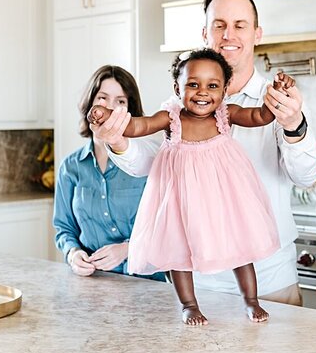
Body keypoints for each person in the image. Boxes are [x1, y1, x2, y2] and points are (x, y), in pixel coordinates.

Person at [90, 0, 316, 306]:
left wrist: (293, 125)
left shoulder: (278, 102)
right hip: (199, 278)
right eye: (219, 25)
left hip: (269, 276)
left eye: (240, 25)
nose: (229, 35)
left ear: (257, 34)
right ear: (205, 33)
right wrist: (117, 139)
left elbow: (307, 175)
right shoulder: (176, 105)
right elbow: (146, 163)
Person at [88, 49, 291, 325]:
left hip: (225, 196)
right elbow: (138, 126)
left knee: (239, 246)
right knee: (178, 252)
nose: (202, 92)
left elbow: (260, 117)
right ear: (177, 88)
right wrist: (108, 116)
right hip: (183, 199)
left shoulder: (226, 114)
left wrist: (277, 96)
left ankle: (251, 300)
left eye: (212, 85)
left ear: (225, 90)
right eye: (193, 84)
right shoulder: (171, 118)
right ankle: (189, 304)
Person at [53, 65, 164, 282]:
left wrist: (128, 249)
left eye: (120, 102)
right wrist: (73, 253)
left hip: (146, 284)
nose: (109, 108)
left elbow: (167, 226)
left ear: (130, 111)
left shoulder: (148, 161)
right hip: (92, 284)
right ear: (90, 103)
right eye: (102, 98)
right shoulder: (71, 167)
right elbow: (64, 228)